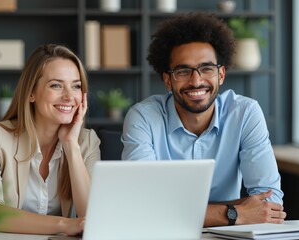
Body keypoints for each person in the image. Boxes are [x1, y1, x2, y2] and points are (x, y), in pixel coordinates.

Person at [121, 12, 287, 227]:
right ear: (168, 80)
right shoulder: (142, 117)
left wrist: (178, 211)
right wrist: (235, 213)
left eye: (207, 68)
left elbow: (270, 205)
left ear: (221, 74)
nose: (196, 81)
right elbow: (144, 206)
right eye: (183, 71)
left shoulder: (245, 113)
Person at [0, 44, 100, 235]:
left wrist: (71, 145)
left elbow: (94, 217)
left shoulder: (87, 142)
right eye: (56, 85)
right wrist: (64, 225)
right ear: (31, 92)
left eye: (76, 86)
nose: (69, 96)